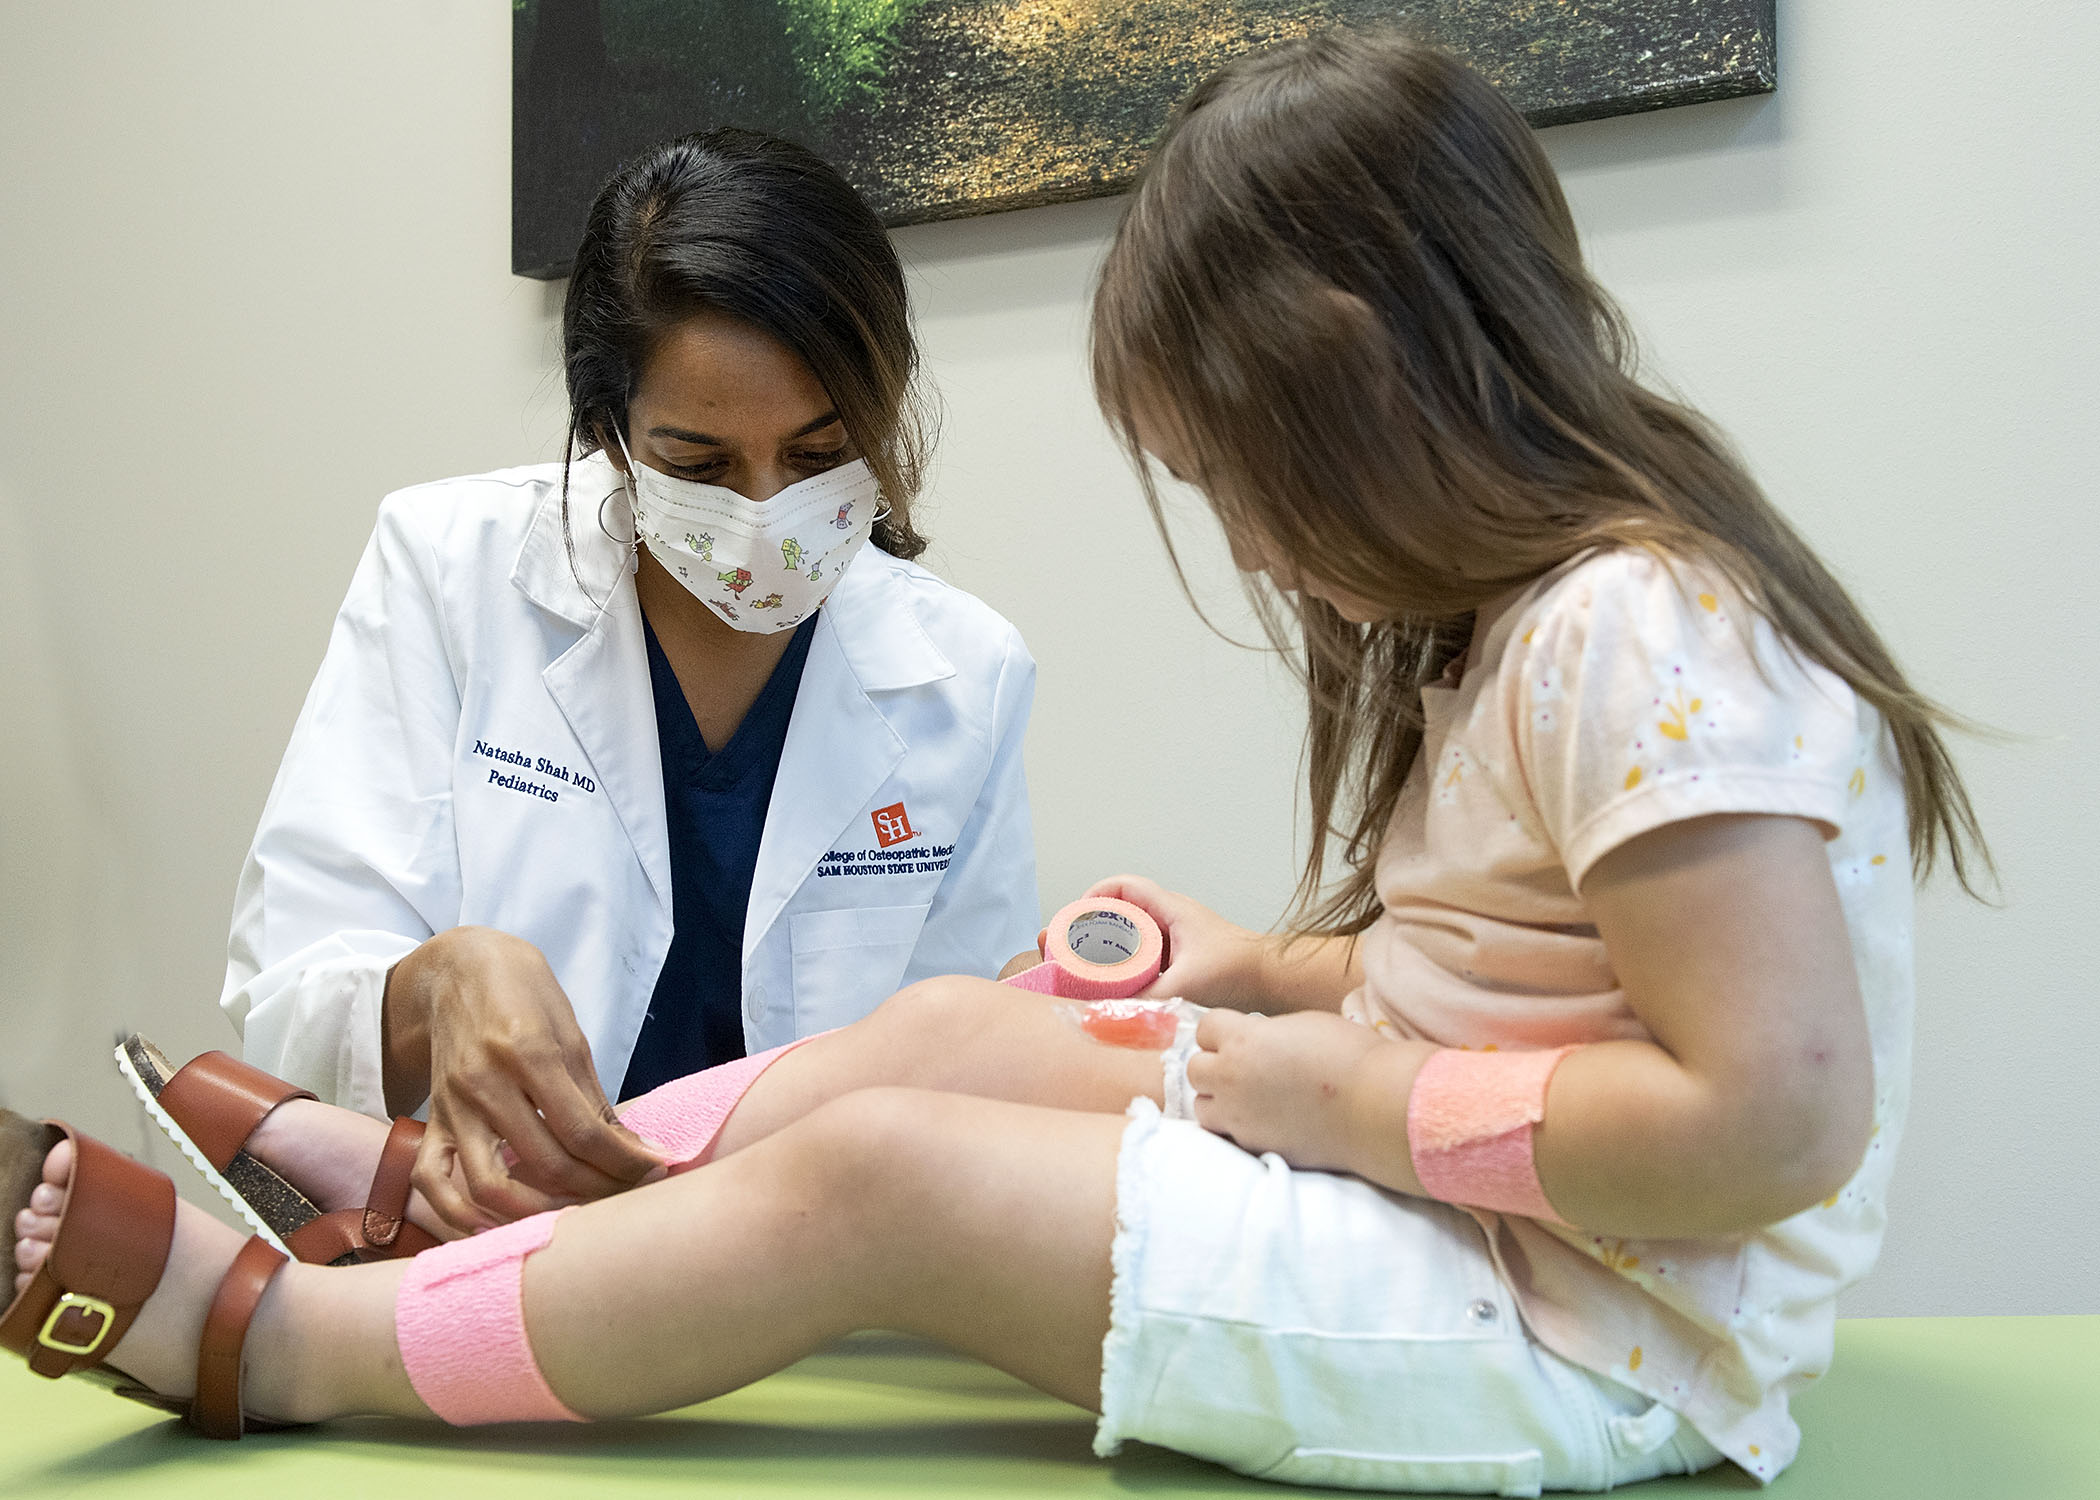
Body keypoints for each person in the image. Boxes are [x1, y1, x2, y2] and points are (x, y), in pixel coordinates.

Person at [6, 31, 1986, 1491]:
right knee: (960, 1033)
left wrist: (1364, 1103)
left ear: (1360, 374)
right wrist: (1268, 975)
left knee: (884, 1167)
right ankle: (461, 1190)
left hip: (1574, 1328)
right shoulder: (1535, 632)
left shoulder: (1629, 628)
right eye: (698, 466)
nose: (1260, 551)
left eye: (1246, 486)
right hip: (1482, 1223)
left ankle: (286, 1340)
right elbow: (1530, 994)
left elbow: (1774, 1122)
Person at [218, 129, 1042, 1231]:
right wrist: (442, 983)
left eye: (817, 454)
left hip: (799, 1264)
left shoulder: (964, 675)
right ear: (608, 432)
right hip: (480, 1242)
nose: (761, 515)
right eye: (699, 465)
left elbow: (968, 1070)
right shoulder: (451, 573)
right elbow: (292, 991)